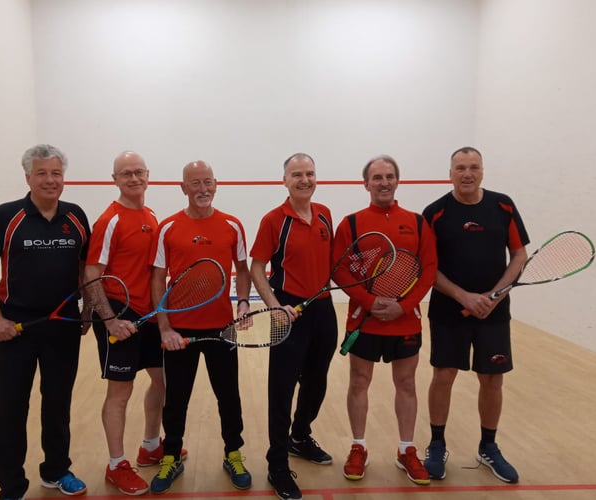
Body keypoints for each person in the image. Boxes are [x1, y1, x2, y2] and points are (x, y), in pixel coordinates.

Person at [0, 144, 91, 500]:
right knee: (9, 409)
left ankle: (56, 470)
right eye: (42, 173)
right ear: (28, 177)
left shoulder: (75, 216)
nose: (50, 180)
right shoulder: (7, 217)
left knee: (58, 404)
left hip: (64, 326)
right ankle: (11, 486)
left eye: (56, 173)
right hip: (15, 330)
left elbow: (85, 266)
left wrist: (86, 309)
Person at [422, 146, 529, 484]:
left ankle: (488, 447)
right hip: (448, 311)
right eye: (460, 168)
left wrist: (495, 297)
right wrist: (462, 295)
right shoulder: (435, 213)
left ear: (482, 171)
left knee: (492, 379)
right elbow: (428, 267)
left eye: (473, 167)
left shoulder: (503, 206)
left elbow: (519, 255)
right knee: (443, 376)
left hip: (494, 314)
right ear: (450, 172)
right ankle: (436, 444)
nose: (467, 173)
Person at [84, 151, 187, 496]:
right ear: (114, 179)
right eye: (125, 174)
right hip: (118, 313)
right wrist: (109, 320)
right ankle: (116, 465)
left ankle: (150, 445)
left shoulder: (150, 215)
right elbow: (91, 274)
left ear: (148, 176)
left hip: (147, 314)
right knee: (120, 390)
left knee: (162, 380)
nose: (133, 178)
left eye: (138, 172)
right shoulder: (110, 220)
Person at [148, 160, 252, 494]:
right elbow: (157, 278)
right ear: (183, 188)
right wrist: (164, 326)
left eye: (207, 182)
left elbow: (243, 268)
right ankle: (170, 455)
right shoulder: (168, 228)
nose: (202, 189)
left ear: (216, 184)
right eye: (195, 183)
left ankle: (233, 452)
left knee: (228, 396)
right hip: (180, 332)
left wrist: (244, 303)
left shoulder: (233, 226)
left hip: (222, 329)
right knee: (176, 398)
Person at [333, 155, 437, 485]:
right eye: (377, 177)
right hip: (364, 319)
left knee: (406, 384)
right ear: (366, 184)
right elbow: (339, 267)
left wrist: (403, 307)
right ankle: (358, 446)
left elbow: (429, 268)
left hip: (404, 321)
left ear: (397, 181)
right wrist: (370, 301)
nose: (384, 182)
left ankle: (407, 450)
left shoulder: (418, 223)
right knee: (359, 382)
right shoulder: (350, 223)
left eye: (390, 176)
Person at [250, 153, 337, 500]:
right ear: (284, 180)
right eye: (296, 174)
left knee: (316, 382)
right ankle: (277, 463)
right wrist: (275, 307)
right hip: (288, 311)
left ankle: (300, 435)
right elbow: (258, 268)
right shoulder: (274, 220)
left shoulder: (325, 215)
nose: (304, 180)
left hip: (323, 309)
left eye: (310, 173)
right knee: (282, 389)